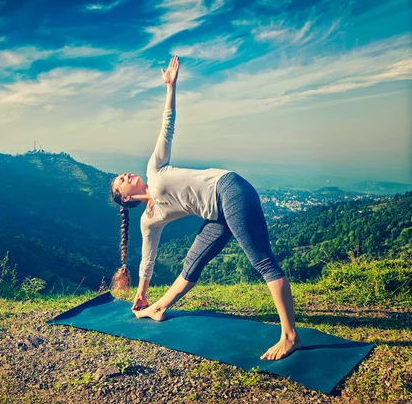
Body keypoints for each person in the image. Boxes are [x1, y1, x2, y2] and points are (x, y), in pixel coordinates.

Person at [109, 55, 303, 361]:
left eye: (124, 175)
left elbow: (167, 127)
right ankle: (158, 307)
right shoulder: (150, 220)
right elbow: (148, 259)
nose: (127, 176)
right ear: (125, 198)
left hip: (231, 189)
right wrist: (142, 294)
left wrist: (170, 88)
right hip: (217, 213)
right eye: (122, 182)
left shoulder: (153, 170)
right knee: (192, 263)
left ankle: (290, 336)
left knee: (263, 262)